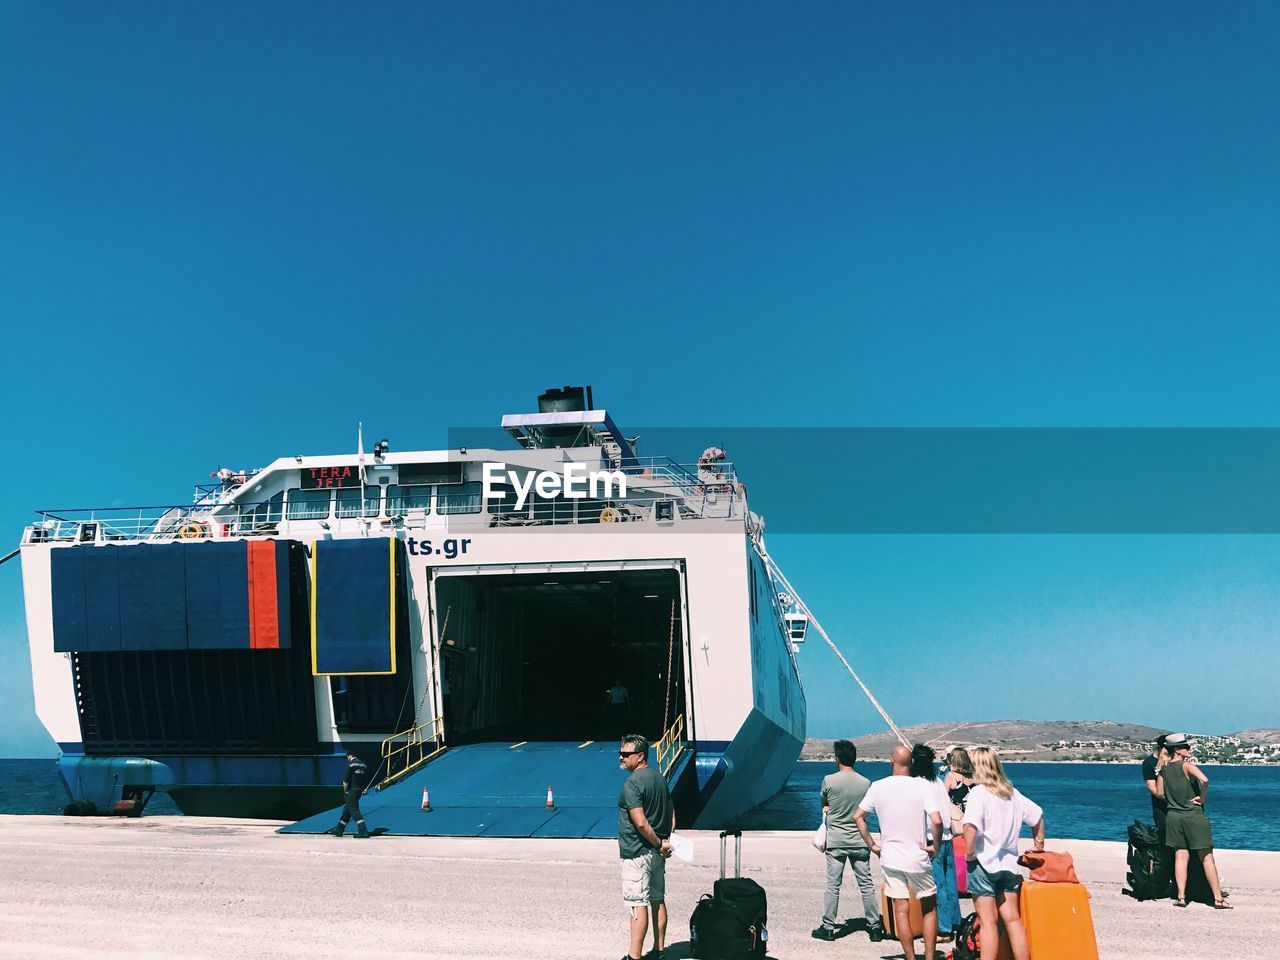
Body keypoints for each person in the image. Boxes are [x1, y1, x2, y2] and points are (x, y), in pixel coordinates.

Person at [855, 744, 943, 960]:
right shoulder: (922, 787)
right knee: (929, 908)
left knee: (900, 909)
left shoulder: (878, 787)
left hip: (891, 856)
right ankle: (930, 957)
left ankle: (910, 957)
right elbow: (937, 821)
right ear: (911, 763)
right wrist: (936, 846)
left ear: (891, 761)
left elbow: (858, 817)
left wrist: (873, 845)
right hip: (918, 855)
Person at [962, 747, 1045, 960]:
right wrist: (1038, 845)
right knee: (1013, 920)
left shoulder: (977, 794)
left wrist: (969, 855)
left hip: (983, 863)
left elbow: (970, 828)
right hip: (1008, 865)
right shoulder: (1012, 793)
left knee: (988, 922)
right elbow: (1037, 817)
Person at [811, 739, 884, 943]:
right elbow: (865, 811)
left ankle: (828, 927)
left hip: (836, 842)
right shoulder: (865, 783)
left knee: (833, 885)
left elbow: (824, 802)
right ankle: (874, 927)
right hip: (860, 841)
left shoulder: (829, 780)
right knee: (866, 885)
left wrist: (828, 809)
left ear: (837, 759)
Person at [617, 734, 675, 960]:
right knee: (657, 899)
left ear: (640, 756)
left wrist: (660, 843)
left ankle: (634, 957)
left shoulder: (632, 782)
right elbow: (671, 812)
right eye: (620, 753)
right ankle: (659, 952)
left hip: (637, 852)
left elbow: (640, 822)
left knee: (636, 904)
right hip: (657, 853)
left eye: (626, 754)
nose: (621, 757)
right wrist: (666, 842)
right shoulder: (659, 778)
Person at [1156, 734, 1231, 909]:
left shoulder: (1163, 769)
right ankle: (1218, 898)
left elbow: (1160, 793)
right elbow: (1204, 780)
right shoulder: (1187, 766)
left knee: (1180, 857)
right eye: (1186, 747)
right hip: (1193, 816)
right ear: (1177, 750)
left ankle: (1181, 897)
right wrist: (1201, 797)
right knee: (1207, 858)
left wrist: (1174, 799)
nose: (1190, 750)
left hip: (1174, 817)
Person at [915, 745, 960, 944]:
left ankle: (942, 929)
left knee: (937, 884)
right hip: (948, 837)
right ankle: (955, 921)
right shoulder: (938, 782)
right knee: (950, 882)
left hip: (931, 837)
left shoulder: (917, 783)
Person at [327, 750, 370, 838]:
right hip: (359, 791)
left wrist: (346, 791)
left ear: (349, 756)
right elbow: (365, 781)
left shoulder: (350, 764)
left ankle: (363, 831)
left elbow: (345, 781)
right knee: (347, 810)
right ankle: (339, 830)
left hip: (351, 791)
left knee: (354, 811)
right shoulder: (364, 765)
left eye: (347, 757)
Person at [1141, 734, 1170, 841]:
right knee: (1164, 834)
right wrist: (1168, 799)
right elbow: (1152, 787)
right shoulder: (1149, 763)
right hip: (1161, 806)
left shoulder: (1172, 761)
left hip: (1177, 806)